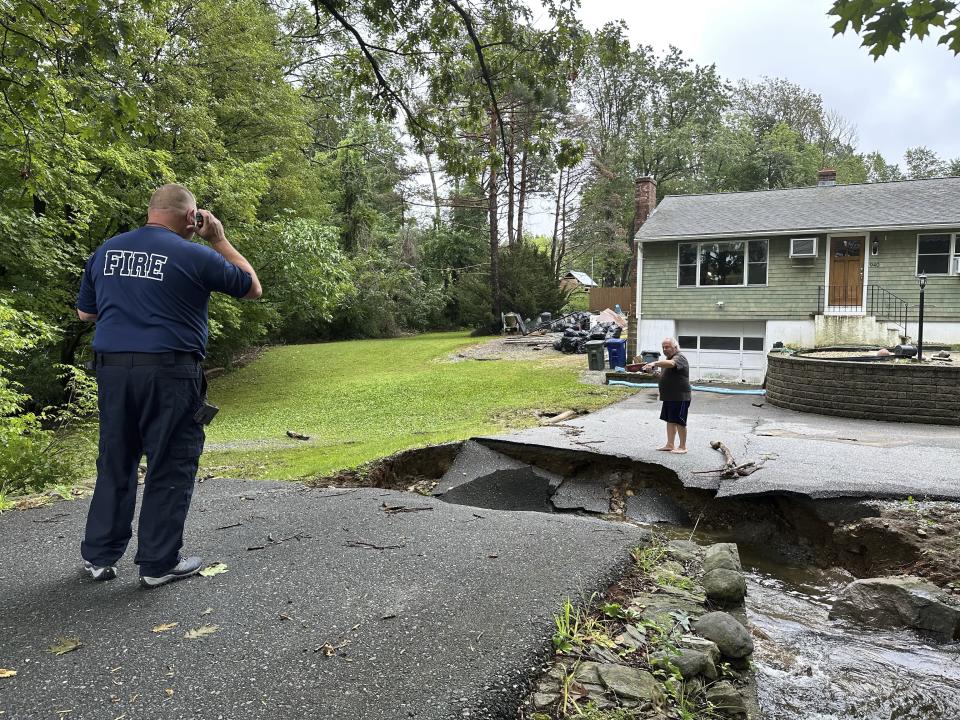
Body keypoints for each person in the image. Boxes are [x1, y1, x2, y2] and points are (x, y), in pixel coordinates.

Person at [76, 184, 262, 588]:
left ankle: (99, 558)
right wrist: (219, 238)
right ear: (191, 217)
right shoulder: (195, 253)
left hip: (111, 371)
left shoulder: (106, 251)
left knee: (115, 459)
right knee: (171, 461)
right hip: (170, 372)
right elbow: (251, 286)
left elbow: (85, 313)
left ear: (152, 211)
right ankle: (158, 564)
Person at [642, 337, 691, 454]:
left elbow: (672, 364)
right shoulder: (667, 359)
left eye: (667, 347)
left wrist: (654, 362)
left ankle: (683, 447)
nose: (664, 349)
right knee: (670, 420)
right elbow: (663, 376)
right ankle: (670, 444)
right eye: (663, 347)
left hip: (680, 396)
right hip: (669, 397)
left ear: (675, 347)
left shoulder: (679, 357)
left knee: (679, 421)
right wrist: (653, 372)